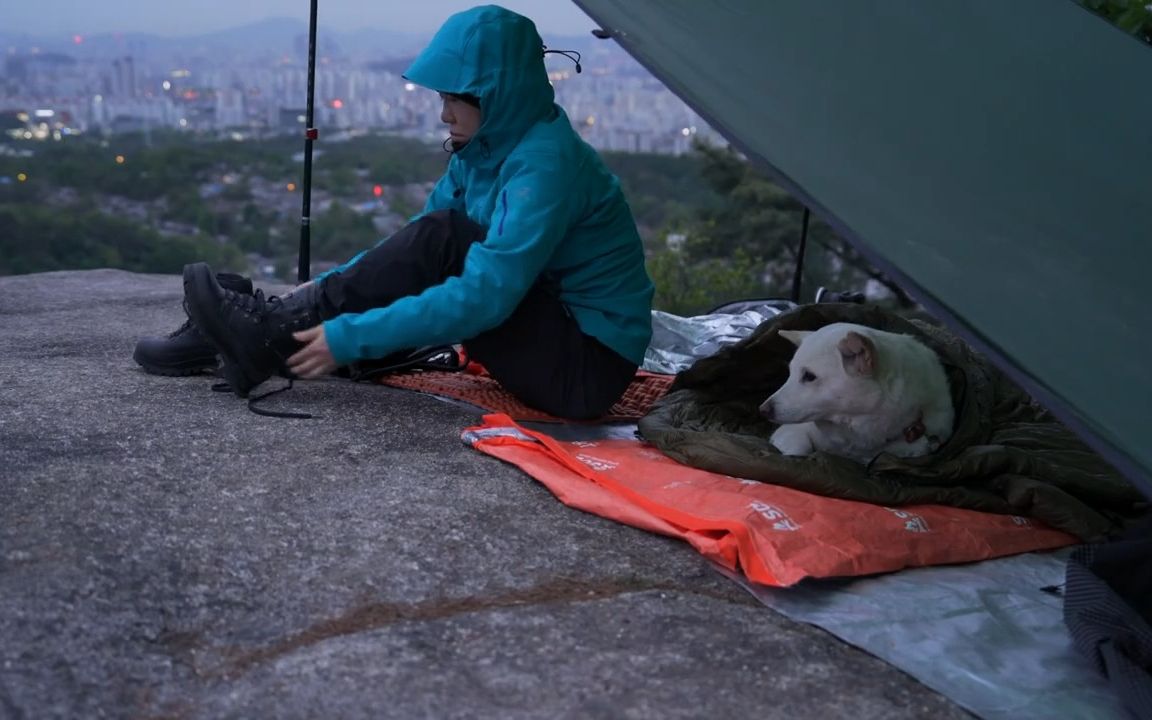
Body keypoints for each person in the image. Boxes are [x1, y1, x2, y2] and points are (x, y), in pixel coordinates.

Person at [141, 4, 654, 420]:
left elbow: (483, 296)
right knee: (429, 249)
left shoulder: (545, 163)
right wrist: (322, 288)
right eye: (443, 96)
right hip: (550, 331)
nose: (444, 112)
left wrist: (348, 336)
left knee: (445, 242)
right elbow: (407, 254)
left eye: (457, 99)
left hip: (585, 368)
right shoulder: (483, 147)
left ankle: (263, 334)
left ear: (497, 95)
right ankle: (260, 332)